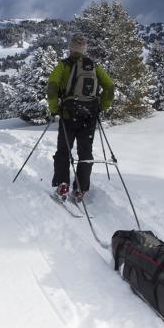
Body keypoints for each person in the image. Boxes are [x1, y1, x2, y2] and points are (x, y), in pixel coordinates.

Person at [48, 34, 114, 202]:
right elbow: (109, 86)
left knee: (64, 151)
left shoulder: (63, 65)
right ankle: (80, 190)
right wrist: (102, 106)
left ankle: (63, 185)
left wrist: (54, 108)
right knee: (85, 152)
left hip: (68, 115)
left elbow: (52, 86)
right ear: (85, 48)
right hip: (89, 116)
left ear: (71, 48)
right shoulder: (94, 66)